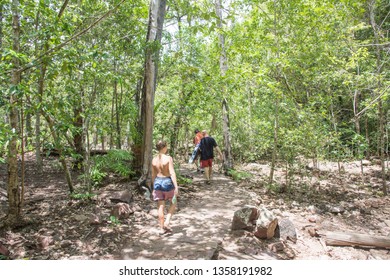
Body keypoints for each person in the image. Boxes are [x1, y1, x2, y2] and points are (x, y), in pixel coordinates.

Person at [151, 140, 179, 234]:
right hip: (167, 182)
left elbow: (153, 175)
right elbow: (172, 172)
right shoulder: (168, 158)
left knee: (160, 206)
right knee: (173, 202)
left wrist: (153, 187)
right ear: (164, 147)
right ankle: (167, 222)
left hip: (157, 182)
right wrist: (176, 186)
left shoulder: (154, 159)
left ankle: (161, 228)